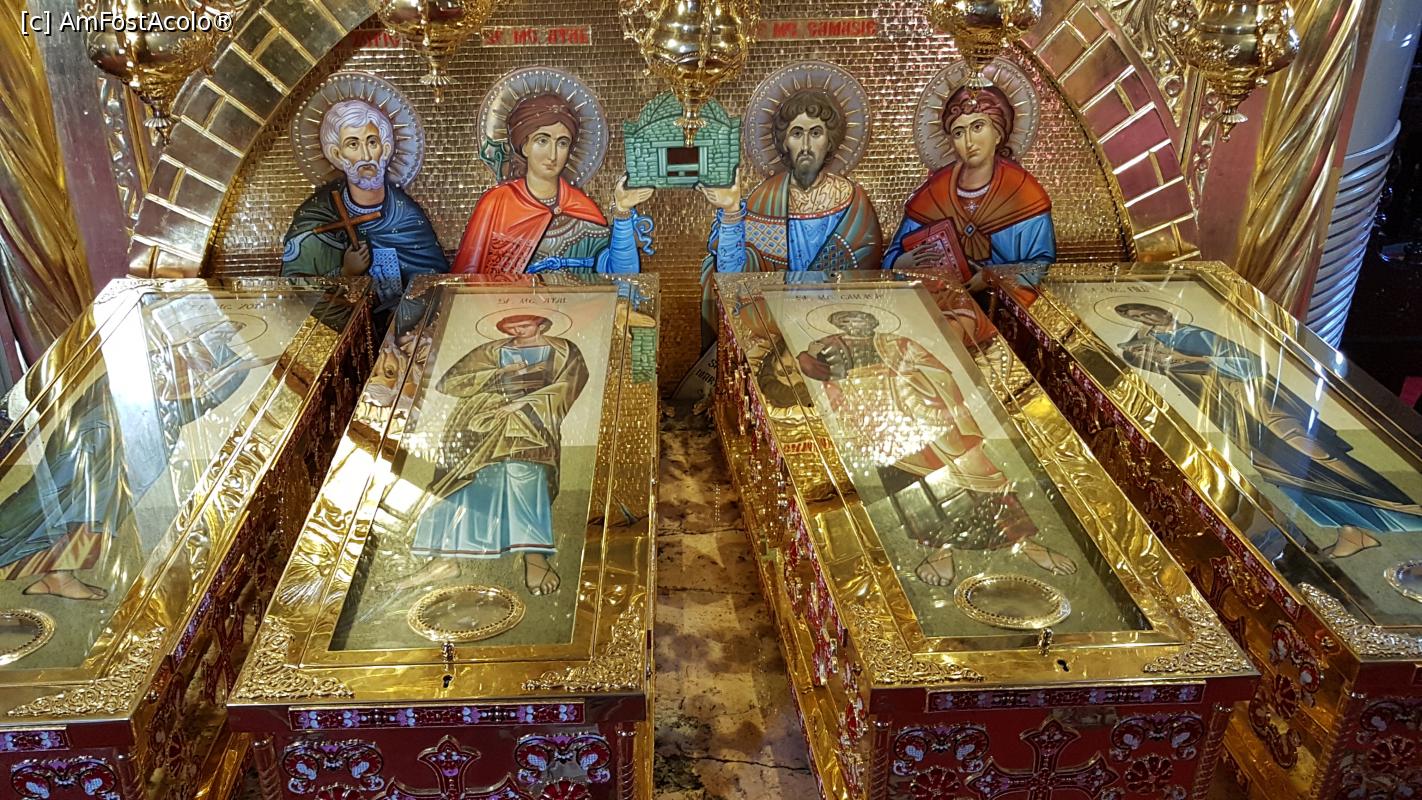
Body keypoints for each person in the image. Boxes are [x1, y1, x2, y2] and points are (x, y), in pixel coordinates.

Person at [0, 313, 275, 599]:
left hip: (126, 448)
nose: (210, 354)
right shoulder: (160, 357)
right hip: (95, 436)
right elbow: (130, 392)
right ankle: (36, 562)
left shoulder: (203, 367)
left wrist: (237, 370)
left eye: (223, 340)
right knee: (51, 498)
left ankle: (60, 576)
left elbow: (191, 407)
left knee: (96, 511)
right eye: (214, 336)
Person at [1115, 302, 1422, 557]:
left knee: (1314, 454)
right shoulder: (1155, 341)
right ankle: (1351, 532)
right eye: (1138, 317)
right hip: (1230, 414)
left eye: (1147, 312)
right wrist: (1149, 354)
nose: (1145, 319)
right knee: (1278, 472)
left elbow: (1249, 363)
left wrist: (1186, 357)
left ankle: (1401, 507)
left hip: (1260, 405)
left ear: (1164, 312)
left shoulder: (1195, 334)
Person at [796, 309, 1075, 584]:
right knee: (912, 486)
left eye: (861, 319)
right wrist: (806, 360)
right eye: (845, 321)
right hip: (880, 422)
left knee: (976, 472)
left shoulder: (897, 342)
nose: (855, 324)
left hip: (925, 414)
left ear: (873, 321)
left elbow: (938, 371)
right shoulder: (829, 345)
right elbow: (817, 368)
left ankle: (1025, 543)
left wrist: (905, 382)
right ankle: (941, 551)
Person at [406, 313, 589, 595]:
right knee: (474, 481)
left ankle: (534, 556)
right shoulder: (494, 350)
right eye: (511, 327)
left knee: (526, 475)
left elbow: (570, 383)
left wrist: (523, 403)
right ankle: (447, 557)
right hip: (485, 417)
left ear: (541, 324)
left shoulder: (563, 349)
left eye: (524, 325)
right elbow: (450, 383)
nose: (517, 331)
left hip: (532, 419)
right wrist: (499, 373)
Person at [883, 84, 1054, 299]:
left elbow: (1042, 268)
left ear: (998, 133)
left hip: (1003, 307)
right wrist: (901, 262)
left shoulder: (1023, 193)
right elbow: (890, 260)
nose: (969, 141)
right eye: (958, 133)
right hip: (940, 304)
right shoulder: (934, 193)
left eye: (977, 127)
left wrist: (992, 276)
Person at [452, 94, 652, 274]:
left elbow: (621, 274)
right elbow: (467, 280)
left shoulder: (581, 207)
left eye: (562, 143)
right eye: (542, 141)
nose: (553, 155)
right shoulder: (497, 203)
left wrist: (622, 212)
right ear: (525, 146)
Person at [281, 99, 448, 310]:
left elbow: (434, 283)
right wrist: (345, 273)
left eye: (372, 142)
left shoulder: (406, 216)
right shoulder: (316, 219)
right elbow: (294, 292)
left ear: (385, 149)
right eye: (353, 144)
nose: (366, 156)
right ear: (337, 154)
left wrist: (397, 319)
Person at [699, 89, 882, 273]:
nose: (806, 146)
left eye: (816, 133)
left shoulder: (853, 203)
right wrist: (731, 211)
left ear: (830, 141)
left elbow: (868, 270)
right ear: (784, 142)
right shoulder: (765, 200)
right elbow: (733, 276)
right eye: (797, 133)